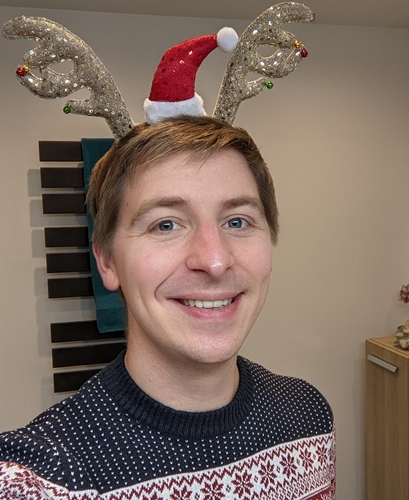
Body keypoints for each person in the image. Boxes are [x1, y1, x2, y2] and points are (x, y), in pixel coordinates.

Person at [1, 6, 334, 499]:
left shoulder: (308, 416)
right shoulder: (44, 477)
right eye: (166, 224)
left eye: (237, 221)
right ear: (107, 260)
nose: (214, 260)